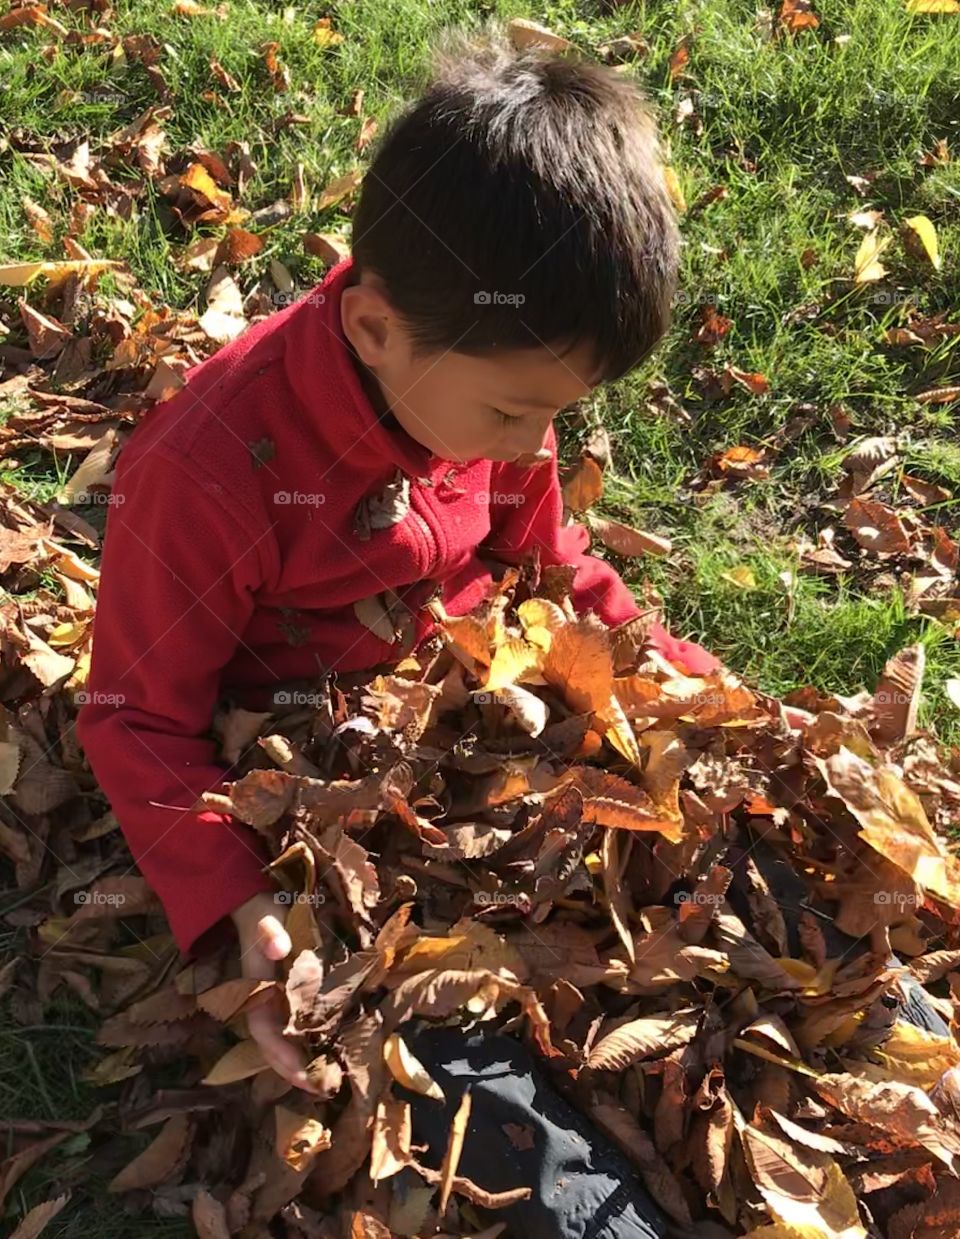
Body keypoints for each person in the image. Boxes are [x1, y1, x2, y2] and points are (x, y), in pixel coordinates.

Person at [77, 32, 721, 1097]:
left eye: (557, 414)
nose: (531, 442)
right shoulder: (207, 475)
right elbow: (134, 719)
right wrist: (246, 902)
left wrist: (670, 668)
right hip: (312, 763)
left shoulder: (488, 385)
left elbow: (543, 558)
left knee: (705, 886)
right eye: (514, 412)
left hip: (482, 705)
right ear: (372, 328)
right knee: (454, 1044)